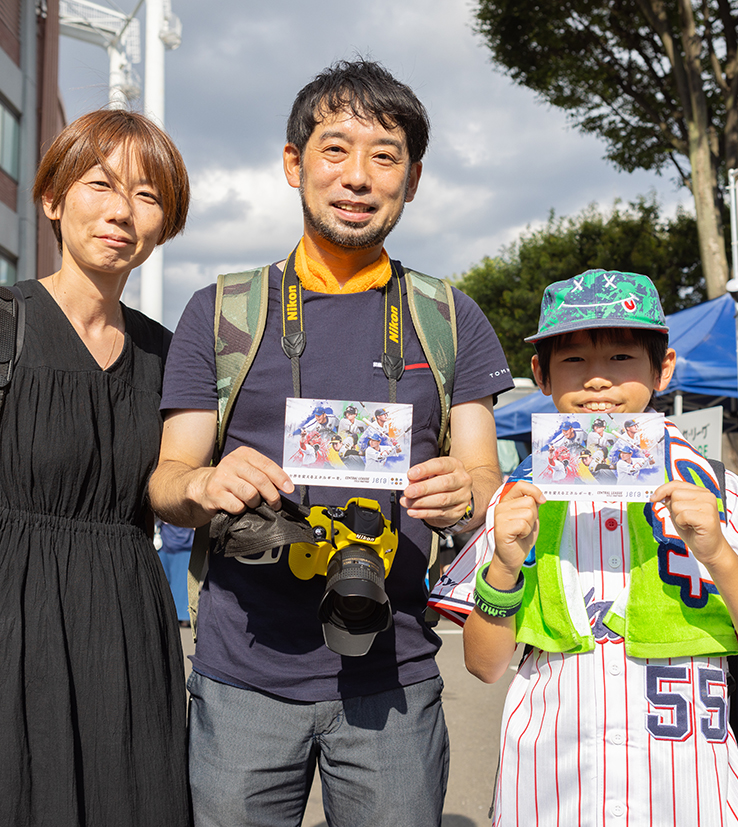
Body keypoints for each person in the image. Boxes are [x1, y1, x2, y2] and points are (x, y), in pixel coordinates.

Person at [149, 59, 513, 827]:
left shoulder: (449, 317)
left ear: (411, 181)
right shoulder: (220, 313)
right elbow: (167, 480)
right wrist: (204, 483)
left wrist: (465, 492)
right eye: (335, 148)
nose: (358, 176)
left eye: (385, 155)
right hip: (242, 675)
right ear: (294, 163)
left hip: (396, 675)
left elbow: (485, 477)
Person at [433, 269, 738, 826]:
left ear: (662, 368)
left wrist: (717, 551)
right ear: (541, 375)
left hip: (689, 789)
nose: (597, 381)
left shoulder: (714, 486)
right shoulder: (521, 493)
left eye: (622, 357)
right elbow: (483, 665)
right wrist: (503, 565)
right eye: (573, 360)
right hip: (549, 786)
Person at [0, 109, 192, 825]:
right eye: (100, 185)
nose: (122, 211)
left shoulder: (171, 353)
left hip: (127, 642)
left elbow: (182, 480)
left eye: (148, 197)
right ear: (54, 199)